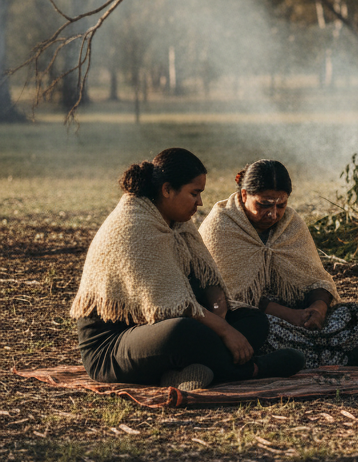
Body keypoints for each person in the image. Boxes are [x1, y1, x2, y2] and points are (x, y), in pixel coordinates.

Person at [71, 148, 304, 391]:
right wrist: (223, 329)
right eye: (194, 193)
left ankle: (183, 373)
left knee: (252, 319)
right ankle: (251, 370)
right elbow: (170, 305)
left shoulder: (178, 222)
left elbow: (206, 273)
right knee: (182, 332)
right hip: (113, 347)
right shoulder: (135, 225)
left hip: (164, 327)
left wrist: (218, 306)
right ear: (167, 190)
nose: (200, 202)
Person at [199, 159, 358, 368]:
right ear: (244, 194)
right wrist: (290, 315)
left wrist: (317, 309)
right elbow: (228, 297)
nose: (273, 213)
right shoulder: (221, 224)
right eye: (264, 204)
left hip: (302, 317)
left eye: (281, 205)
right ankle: (343, 357)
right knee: (261, 328)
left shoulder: (291, 223)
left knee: (355, 315)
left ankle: (306, 355)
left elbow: (315, 277)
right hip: (257, 316)